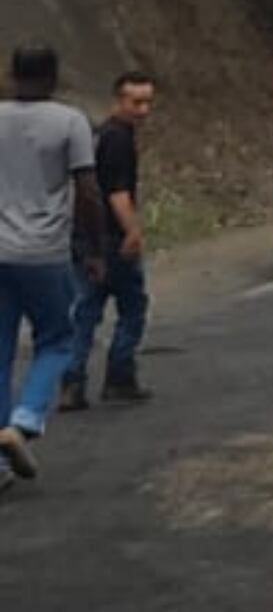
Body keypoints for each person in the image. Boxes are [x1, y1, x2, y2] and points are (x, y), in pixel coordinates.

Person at [0, 45, 107, 495]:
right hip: (44, 253)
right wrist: (95, 248)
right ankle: (23, 423)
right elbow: (87, 190)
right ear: (54, 76)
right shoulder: (69, 121)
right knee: (57, 339)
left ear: (12, 73)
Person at [61, 71, 156, 409]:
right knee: (132, 307)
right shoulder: (118, 139)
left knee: (85, 310)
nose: (143, 109)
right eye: (136, 102)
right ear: (119, 101)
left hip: (85, 237)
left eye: (147, 102)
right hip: (111, 237)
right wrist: (132, 231)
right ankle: (120, 375)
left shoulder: (99, 135)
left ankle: (71, 381)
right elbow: (117, 193)